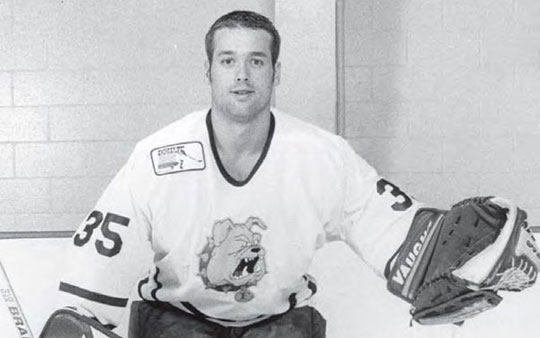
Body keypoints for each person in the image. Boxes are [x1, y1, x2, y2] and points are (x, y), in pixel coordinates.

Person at [40, 10, 539, 338]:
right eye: (228, 60)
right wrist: (79, 321)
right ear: (208, 71)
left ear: (276, 73)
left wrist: (452, 261)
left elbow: (400, 238)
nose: (242, 74)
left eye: (256, 61)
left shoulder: (323, 155)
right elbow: (97, 262)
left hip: (278, 323)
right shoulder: (157, 156)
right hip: (176, 319)